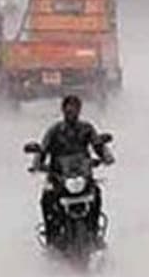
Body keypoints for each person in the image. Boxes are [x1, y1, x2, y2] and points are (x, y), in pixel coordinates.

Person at [29, 95, 114, 245]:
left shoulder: (87, 129)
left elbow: (97, 145)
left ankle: (94, 231)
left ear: (79, 110)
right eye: (68, 109)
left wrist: (105, 156)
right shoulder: (54, 131)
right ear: (63, 110)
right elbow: (43, 149)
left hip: (82, 175)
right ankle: (51, 236)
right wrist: (37, 163)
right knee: (47, 199)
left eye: (75, 109)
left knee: (96, 193)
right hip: (59, 177)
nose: (71, 112)